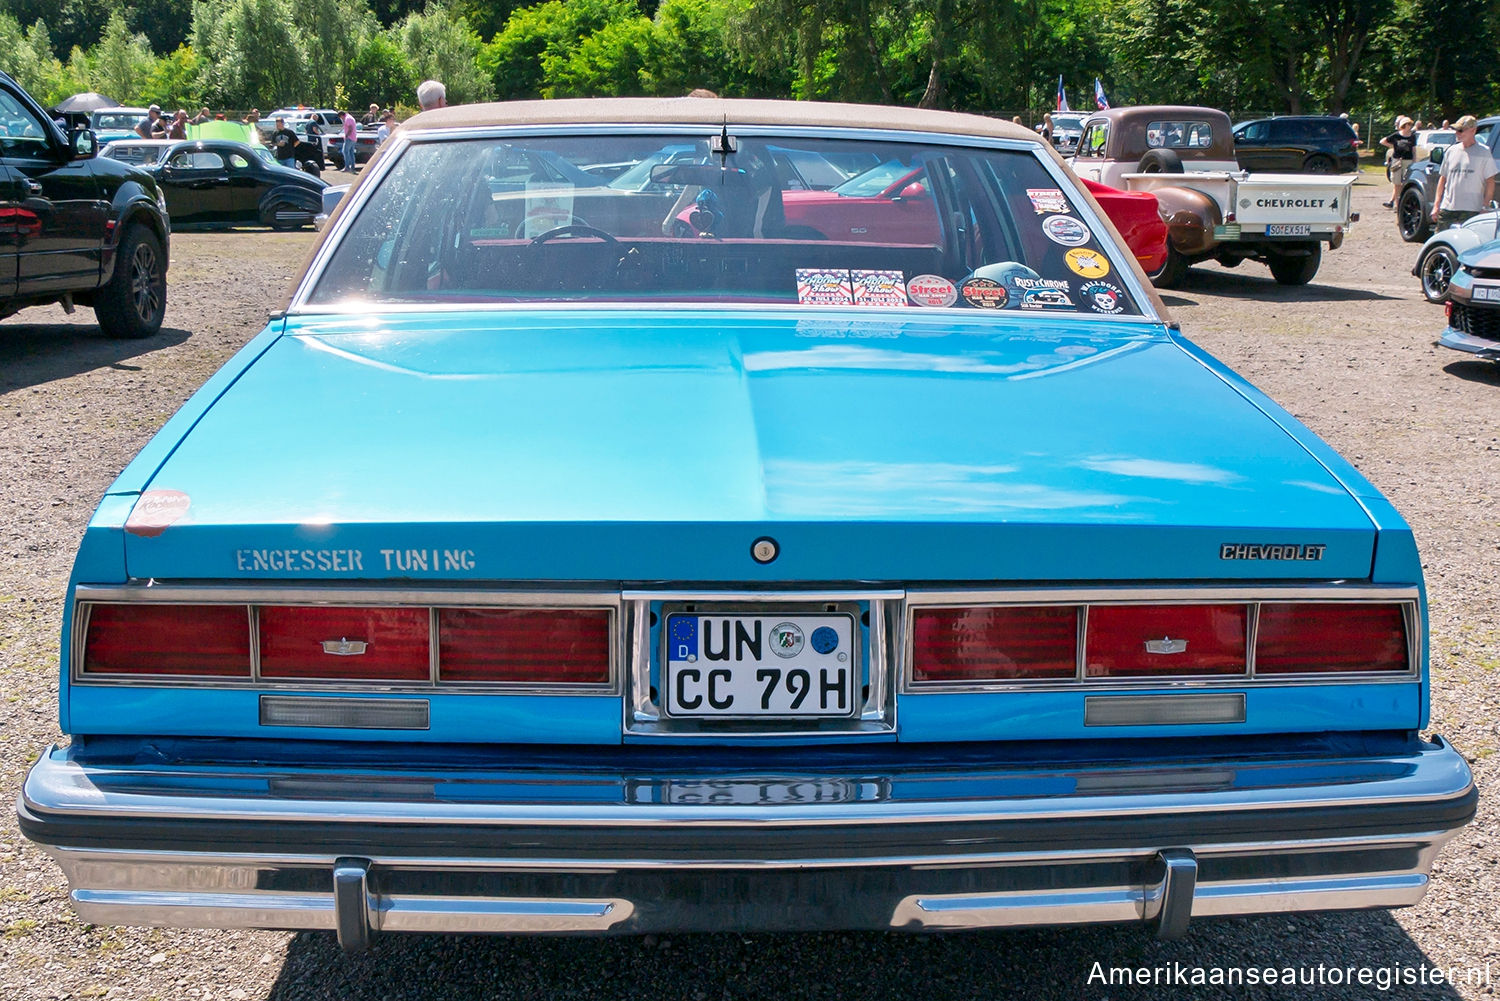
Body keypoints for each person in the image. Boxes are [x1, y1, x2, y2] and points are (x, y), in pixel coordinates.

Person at [1430, 115, 1497, 228]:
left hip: (1471, 210)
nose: (1457, 133)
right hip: (1448, 208)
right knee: (1443, 242)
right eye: (1456, 130)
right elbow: (1443, 179)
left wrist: (1485, 206)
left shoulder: (1484, 152)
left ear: (1473, 131)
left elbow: (1490, 182)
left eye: (1461, 130)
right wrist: (1436, 205)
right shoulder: (1451, 151)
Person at [1380, 116, 1416, 208]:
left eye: (1411, 124)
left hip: (1408, 160)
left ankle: (1402, 202)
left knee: (1405, 182)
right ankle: (1396, 204)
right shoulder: (1396, 135)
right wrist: (1393, 146)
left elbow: (1413, 149)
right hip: (1397, 160)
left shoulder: (1412, 136)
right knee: (1396, 182)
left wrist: (1414, 161)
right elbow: (1383, 141)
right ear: (1404, 125)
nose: (1410, 126)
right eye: (1409, 124)